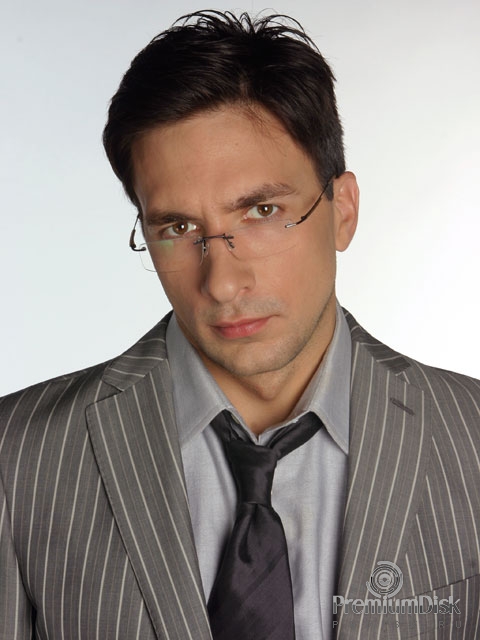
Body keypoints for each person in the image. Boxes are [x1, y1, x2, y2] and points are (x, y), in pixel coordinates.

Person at [1, 10, 479, 640]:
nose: (222, 283)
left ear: (342, 211)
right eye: (177, 227)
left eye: (262, 211)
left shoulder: (470, 436)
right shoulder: (16, 457)